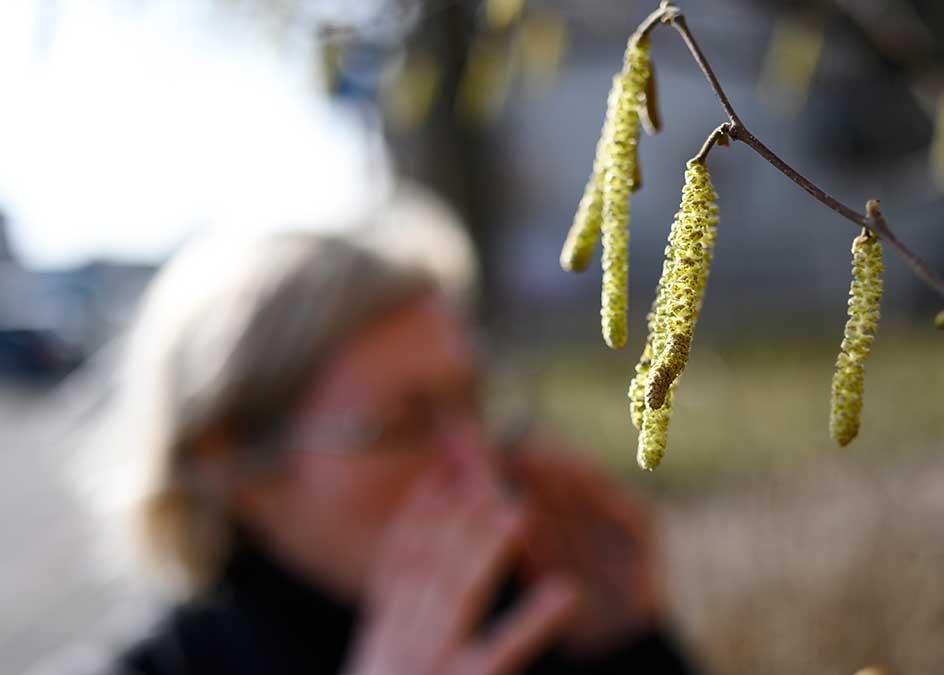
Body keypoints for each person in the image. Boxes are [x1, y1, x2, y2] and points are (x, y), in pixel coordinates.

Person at [98, 210, 695, 675]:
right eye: (402, 426)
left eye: (472, 404)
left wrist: (632, 649)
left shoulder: (535, 625)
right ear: (230, 460)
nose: (475, 461)